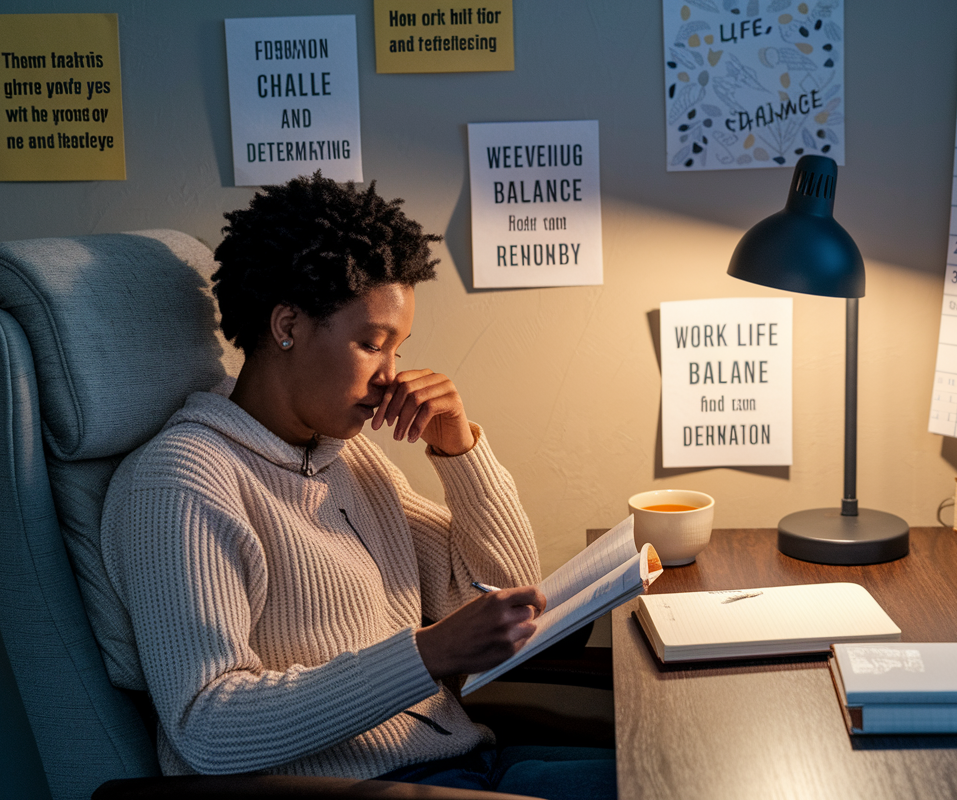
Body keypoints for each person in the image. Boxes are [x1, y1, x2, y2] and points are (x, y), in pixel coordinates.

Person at [99, 173, 616, 798]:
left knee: (692, 771)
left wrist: (458, 450)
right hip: (368, 788)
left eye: (398, 349)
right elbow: (207, 726)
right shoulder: (182, 483)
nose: (390, 377)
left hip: (461, 764)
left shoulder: (349, 461)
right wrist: (425, 656)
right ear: (287, 324)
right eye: (373, 344)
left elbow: (503, 592)